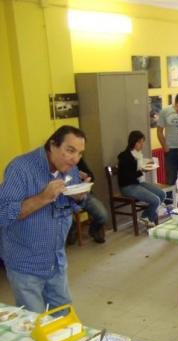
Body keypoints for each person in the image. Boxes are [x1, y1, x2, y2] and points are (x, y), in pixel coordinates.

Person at [0, 125, 88, 313]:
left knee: (65, 321)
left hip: (56, 261)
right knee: (37, 324)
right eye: (70, 150)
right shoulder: (20, 169)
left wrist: (79, 196)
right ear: (52, 145)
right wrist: (43, 197)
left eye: (80, 153)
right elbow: (3, 213)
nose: (75, 159)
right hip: (25, 264)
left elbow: (71, 205)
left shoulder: (71, 170)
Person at [118, 130, 166, 227]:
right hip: (127, 186)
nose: (142, 144)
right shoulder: (124, 156)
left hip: (138, 183)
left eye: (143, 142)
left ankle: (147, 218)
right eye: (139, 142)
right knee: (155, 200)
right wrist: (142, 171)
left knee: (162, 194)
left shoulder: (138, 154)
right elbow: (127, 176)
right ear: (133, 142)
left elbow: (140, 166)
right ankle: (146, 218)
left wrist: (148, 164)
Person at [67, 158, 109, 244]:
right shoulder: (56, 164)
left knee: (103, 216)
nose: (76, 155)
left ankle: (94, 230)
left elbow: (91, 177)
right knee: (64, 214)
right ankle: (72, 231)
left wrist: (86, 176)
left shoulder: (78, 160)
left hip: (84, 195)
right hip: (66, 199)